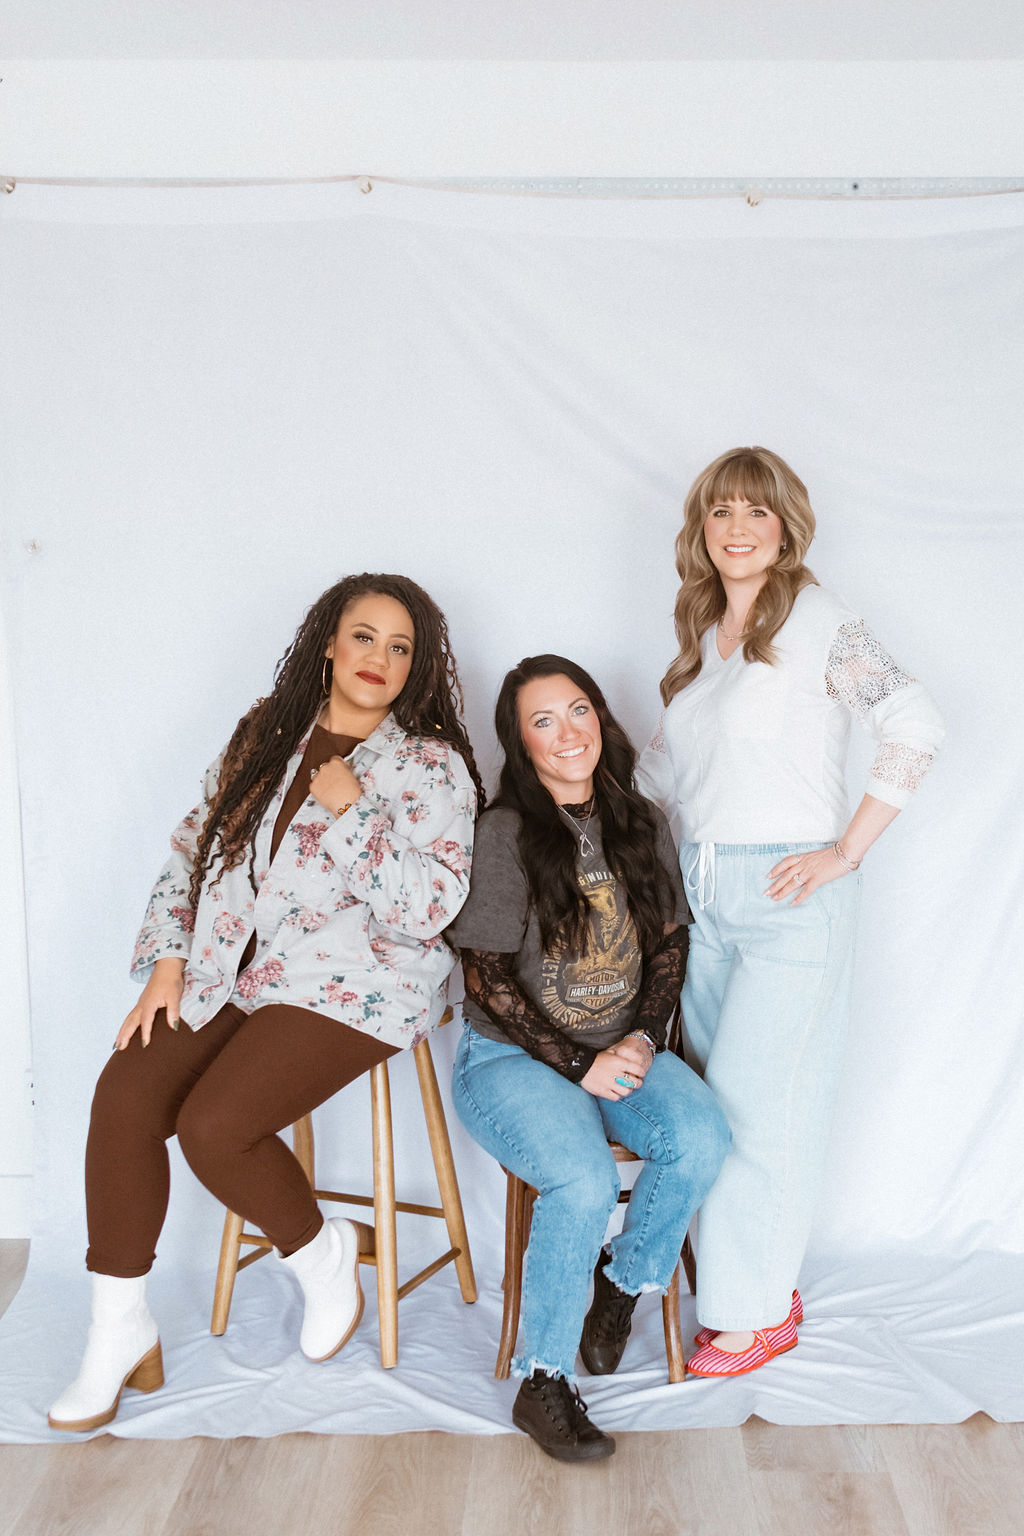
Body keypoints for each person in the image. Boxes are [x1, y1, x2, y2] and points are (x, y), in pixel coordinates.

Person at [49, 573, 483, 1432]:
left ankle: (323, 1258)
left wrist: (353, 809)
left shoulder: (429, 766)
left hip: (356, 981)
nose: (379, 659)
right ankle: (117, 1329)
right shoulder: (265, 735)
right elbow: (189, 847)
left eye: (401, 648)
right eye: (364, 637)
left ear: (416, 668)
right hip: (226, 971)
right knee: (125, 1094)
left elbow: (430, 908)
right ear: (329, 642)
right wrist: (168, 961)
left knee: (216, 1127)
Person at [637, 446, 944, 1379]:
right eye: (721, 513)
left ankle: (754, 1312)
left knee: (761, 1111)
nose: (737, 529)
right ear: (702, 530)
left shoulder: (818, 620)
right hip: (706, 893)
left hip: (789, 898)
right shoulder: (701, 640)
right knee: (719, 1111)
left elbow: (916, 723)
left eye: (756, 514)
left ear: (785, 529)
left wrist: (844, 852)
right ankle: (756, 1287)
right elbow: (661, 780)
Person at [450, 655, 730, 1461]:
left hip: (621, 1048)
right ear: (521, 742)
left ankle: (620, 1282)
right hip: (511, 1059)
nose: (568, 733)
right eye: (544, 721)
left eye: (580, 711)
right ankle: (543, 1382)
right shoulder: (505, 832)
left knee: (702, 1139)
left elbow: (671, 943)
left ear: (603, 721)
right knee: (583, 1178)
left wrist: (642, 1037)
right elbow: (488, 976)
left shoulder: (642, 822)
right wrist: (579, 1066)